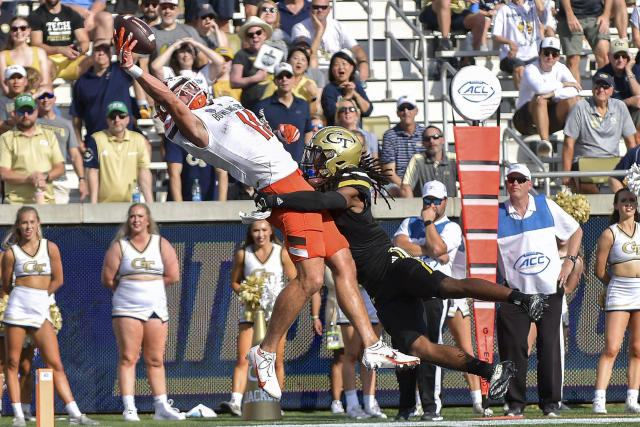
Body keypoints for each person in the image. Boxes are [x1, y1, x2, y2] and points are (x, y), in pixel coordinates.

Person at [115, 28, 419, 402]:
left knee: (343, 261)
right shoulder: (194, 127)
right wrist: (136, 71)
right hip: (282, 190)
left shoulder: (217, 105)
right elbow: (177, 108)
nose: (191, 88)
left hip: (292, 175)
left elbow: (247, 134)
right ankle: (266, 350)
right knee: (309, 280)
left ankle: (372, 345)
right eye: (181, 89)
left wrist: (281, 135)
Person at [251, 126, 550, 402]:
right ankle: (492, 371)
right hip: (379, 290)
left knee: (449, 286)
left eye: (321, 156)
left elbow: (322, 201)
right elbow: (297, 187)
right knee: (419, 347)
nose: (314, 162)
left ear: (339, 160)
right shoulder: (325, 185)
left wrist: (278, 201)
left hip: (393, 265)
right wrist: (276, 142)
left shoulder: (353, 181)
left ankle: (523, 299)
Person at [393, 180, 486, 419]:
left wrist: (427, 224)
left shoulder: (450, 227)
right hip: (406, 294)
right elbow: (400, 246)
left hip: (434, 295)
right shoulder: (407, 222)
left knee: (430, 348)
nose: (432, 205)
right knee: (403, 350)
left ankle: (431, 406)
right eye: (427, 201)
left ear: (445, 202)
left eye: (436, 201)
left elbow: (439, 246)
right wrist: (429, 250)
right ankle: (405, 407)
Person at [496, 163, 583, 417]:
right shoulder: (497, 213)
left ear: (530, 184)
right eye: (510, 179)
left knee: (550, 347)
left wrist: (570, 261)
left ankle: (550, 404)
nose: (515, 183)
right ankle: (514, 405)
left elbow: (576, 230)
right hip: (515, 293)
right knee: (512, 348)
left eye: (520, 179)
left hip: (548, 289)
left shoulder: (545, 205)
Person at [2, 206, 98, 426]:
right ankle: (18, 415)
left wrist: (40, 297)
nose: (28, 226)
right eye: (24, 222)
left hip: (40, 308)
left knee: (54, 362)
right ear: (18, 225)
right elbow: (7, 285)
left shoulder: (50, 247)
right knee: (13, 362)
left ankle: (76, 414)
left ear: (38, 224)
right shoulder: (11, 253)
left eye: (32, 222)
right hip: (17, 309)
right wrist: (25, 296)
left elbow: (58, 279)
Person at [101, 203, 184, 421]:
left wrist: (150, 286)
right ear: (128, 221)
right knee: (129, 356)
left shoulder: (160, 244)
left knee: (155, 358)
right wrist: (132, 289)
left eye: (140, 216)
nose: (136, 220)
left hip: (156, 306)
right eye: (132, 216)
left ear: (148, 220)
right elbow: (108, 279)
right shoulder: (120, 246)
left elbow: (173, 275)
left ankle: (161, 406)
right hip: (127, 307)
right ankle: (129, 407)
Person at [219, 220, 296, 416]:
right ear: (250, 233)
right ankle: (235, 401)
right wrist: (247, 292)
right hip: (251, 312)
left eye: (264, 229)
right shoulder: (243, 254)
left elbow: (294, 280)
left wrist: (281, 297)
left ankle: (274, 402)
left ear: (271, 231)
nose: (260, 234)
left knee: (276, 360)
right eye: (256, 230)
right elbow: (235, 282)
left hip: (277, 314)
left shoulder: (282, 253)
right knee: (244, 358)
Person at [592, 188, 640, 414]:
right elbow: (599, 270)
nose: (628, 204)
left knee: (638, 349)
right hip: (619, 291)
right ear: (616, 205)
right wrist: (615, 284)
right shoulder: (609, 233)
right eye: (624, 201)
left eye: (632, 200)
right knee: (612, 347)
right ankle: (599, 399)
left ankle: (632, 399)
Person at [562, 71, 636, 194]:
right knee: (589, 192)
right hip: (584, 161)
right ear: (592, 88)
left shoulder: (620, 107)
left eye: (605, 86)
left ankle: (616, 210)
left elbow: (631, 142)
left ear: (612, 90)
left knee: (623, 193)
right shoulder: (579, 107)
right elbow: (568, 143)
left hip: (613, 162)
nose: (601, 89)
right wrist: (566, 173)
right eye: (598, 86)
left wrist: (635, 170)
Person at [512, 37, 581, 156]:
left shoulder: (561, 68)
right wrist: (563, 84)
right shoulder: (530, 69)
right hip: (524, 120)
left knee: (574, 101)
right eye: (546, 53)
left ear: (558, 57)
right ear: (539, 54)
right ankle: (545, 143)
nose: (550, 57)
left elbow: (576, 90)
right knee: (541, 98)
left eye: (554, 54)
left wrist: (555, 93)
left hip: (549, 117)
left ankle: (573, 140)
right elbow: (540, 89)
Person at [70, 42, 142, 149]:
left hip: (125, 140)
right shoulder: (82, 82)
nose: (101, 53)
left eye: (105, 50)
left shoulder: (121, 71)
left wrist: (118, 42)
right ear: (92, 54)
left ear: (111, 53)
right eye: (97, 50)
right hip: (96, 140)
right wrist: (80, 142)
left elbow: (134, 56)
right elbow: (77, 116)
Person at [84, 101, 154, 203]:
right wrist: (93, 206)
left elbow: (144, 171)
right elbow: (93, 172)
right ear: (107, 120)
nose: (117, 120)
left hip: (132, 204)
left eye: (121, 116)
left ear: (128, 119)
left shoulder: (139, 139)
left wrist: (150, 203)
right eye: (112, 116)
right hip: (103, 205)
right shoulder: (96, 139)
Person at [0, 94, 64, 204]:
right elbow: (4, 173)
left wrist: (44, 176)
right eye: (21, 111)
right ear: (14, 114)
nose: (25, 115)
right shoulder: (6, 138)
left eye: (29, 111)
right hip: (16, 203)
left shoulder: (49, 135)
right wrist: (30, 179)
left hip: (46, 201)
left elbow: (60, 168)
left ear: (36, 112)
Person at [337, 286, 386, 419]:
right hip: (350, 291)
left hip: (372, 296)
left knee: (370, 353)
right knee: (351, 353)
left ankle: (370, 403)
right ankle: (352, 405)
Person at [290, 0, 369, 81]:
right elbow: (308, 56)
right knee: (313, 63)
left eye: (323, 7)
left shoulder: (338, 26)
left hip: (335, 70)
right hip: (311, 71)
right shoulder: (300, 28)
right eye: (316, 7)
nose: (320, 10)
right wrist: (319, 31)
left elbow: (356, 48)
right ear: (310, 8)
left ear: (329, 9)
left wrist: (363, 62)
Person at [35, 84, 87, 203]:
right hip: (37, 180)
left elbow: (74, 155)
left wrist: (82, 179)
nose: (45, 99)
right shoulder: (31, 122)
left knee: (58, 220)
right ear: (36, 99)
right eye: (41, 97)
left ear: (55, 98)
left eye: (49, 95)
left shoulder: (66, 124)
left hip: (59, 181)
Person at [254, 62, 313, 163]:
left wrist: (308, 158)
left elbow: (308, 132)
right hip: (274, 166)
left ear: (294, 79)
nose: (284, 79)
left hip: (298, 166)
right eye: (280, 76)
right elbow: (256, 138)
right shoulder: (262, 107)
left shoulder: (303, 104)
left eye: (288, 76)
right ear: (275, 81)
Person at [27, 0, 91, 81]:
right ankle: (48, 93)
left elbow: (84, 41)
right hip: (49, 59)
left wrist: (79, 51)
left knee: (92, 62)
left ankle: (88, 93)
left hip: (71, 59)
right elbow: (36, 44)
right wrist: (59, 50)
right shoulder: (35, 16)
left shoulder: (72, 13)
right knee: (45, 65)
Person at [310, 267, 345, 414]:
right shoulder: (325, 261)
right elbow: (316, 290)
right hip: (334, 317)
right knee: (339, 356)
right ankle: (336, 402)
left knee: (364, 356)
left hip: (360, 312)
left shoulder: (360, 252)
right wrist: (315, 317)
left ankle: (366, 400)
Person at [491, 0, 545, 89]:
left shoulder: (532, 6)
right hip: (510, 56)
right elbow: (495, 36)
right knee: (520, 68)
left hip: (533, 54)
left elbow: (541, 9)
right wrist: (510, 42)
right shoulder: (504, 9)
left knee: (545, 64)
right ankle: (521, 101)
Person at [595, 39, 640, 145]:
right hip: (611, 116)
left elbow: (638, 96)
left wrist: (629, 70)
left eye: (624, 56)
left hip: (632, 115)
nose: (620, 60)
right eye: (616, 56)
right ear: (609, 56)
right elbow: (602, 104)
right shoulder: (602, 74)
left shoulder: (635, 69)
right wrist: (629, 101)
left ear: (628, 57)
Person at [381, 95, 426, 197]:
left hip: (423, 180)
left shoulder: (425, 134)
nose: (406, 112)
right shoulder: (390, 135)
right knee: (401, 192)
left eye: (409, 108)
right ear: (397, 113)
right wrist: (407, 187)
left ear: (416, 111)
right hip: (398, 183)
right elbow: (389, 172)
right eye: (402, 109)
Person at [556, 0, 610, 84]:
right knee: (572, 60)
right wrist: (569, 14)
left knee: (605, 57)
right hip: (571, 15)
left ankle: (603, 92)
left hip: (596, 15)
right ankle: (574, 95)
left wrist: (606, 15)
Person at [150, 38, 224, 97]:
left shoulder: (202, 73)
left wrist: (197, 44)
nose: (186, 55)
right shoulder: (170, 73)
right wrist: (173, 47)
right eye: (182, 52)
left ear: (195, 55)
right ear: (176, 56)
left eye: (189, 51)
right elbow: (155, 66)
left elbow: (220, 61)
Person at [230, 16, 274, 111]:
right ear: (246, 38)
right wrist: (255, 78)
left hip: (273, 104)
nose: (255, 36)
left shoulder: (275, 52)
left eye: (258, 32)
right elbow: (234, 82)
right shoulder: (241, 54)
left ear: (264, 35)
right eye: (250, 35)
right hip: (251, 104)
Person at [261, 46, 321, 115]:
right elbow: (263, 108)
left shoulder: (310, 84)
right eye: (296, 58)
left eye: (303, 60)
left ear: (307, 65)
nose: (299, 62)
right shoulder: (278, 81)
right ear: (288, 62)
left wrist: (313, 96)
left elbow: (312, 114)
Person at [401, 126, 457, 198]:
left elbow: (469, 184)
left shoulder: (454, 159)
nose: (431, 141)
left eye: (435, 137)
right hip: (425, 207)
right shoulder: (417, 160)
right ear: (423, 143)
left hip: (449, 207)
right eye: (427, 139)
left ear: (443, 140)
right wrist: (413, 208)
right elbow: (406, 187)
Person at [0, 16, 52, 95]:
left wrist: (31, 98)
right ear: (10, 32)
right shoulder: (3, 56)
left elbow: (45, 84)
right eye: (14, 29)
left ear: (29, 31)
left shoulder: (40, 52)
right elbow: (5, 87)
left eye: (23, 28)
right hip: (13, 100)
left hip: (37, 98)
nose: (19, 31)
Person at [320, 50, 372, 126]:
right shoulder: (329, 89)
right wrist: (347, 96)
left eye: (344, 64)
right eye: (336, 65)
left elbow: (367, 110)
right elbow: (331, 113)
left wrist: (354, 94)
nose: (341, 67)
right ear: (332, 69)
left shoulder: (356, 86)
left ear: (351, 68)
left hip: (356, 132)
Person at [419, 0, 488, 51]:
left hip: (457, 11)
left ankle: (469, 57)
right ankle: (445, 41)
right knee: (444, 1)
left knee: (480, 18)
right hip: (434, 10)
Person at [0, 65, 30, 135]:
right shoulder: (1, 101)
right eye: (12, 78)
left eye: (19, 77)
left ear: (26, 81)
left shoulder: (33, 100)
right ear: (5, 82)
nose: (16, 81)